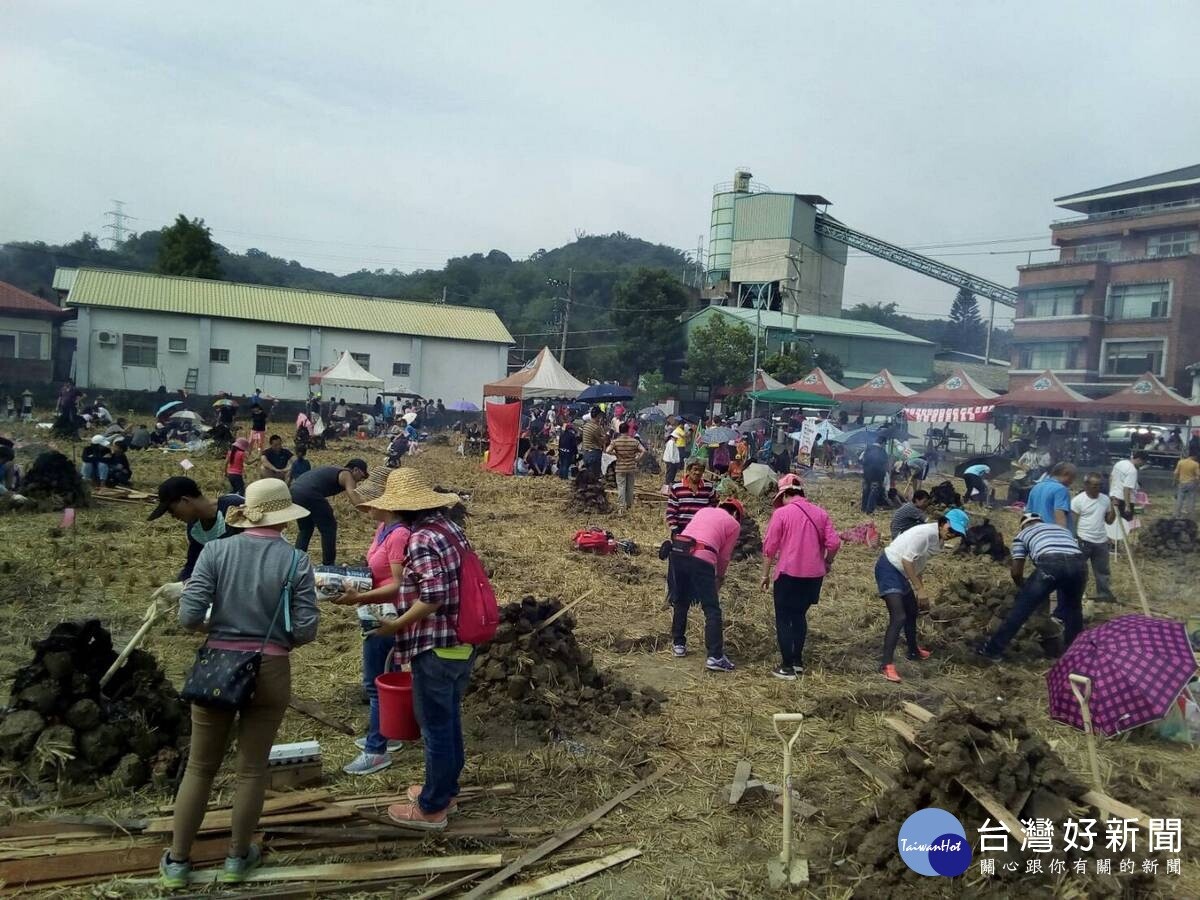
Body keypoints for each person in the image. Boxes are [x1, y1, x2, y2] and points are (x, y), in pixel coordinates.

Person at [160, 479, 318, 889]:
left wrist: (220, 628)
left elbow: (188, 616)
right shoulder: (296, 561)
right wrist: (275, 639)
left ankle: (177, 862)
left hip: (217, 667)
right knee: (251, 770)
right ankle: (236, 858)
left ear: (247, 514)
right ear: (284, 518)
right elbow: (305, 629)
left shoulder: (214, 551)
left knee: (199, 767)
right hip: (270, 669)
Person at [346, 471, 475, 831]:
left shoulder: (420, 539)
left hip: (437, 643)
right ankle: (444, 789)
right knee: (447, 720)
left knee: (435, 726)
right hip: (462, 640)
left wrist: (394, 626)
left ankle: (432, 807)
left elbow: (432, 598)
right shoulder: (450, 529)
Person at [330, 470, 410, 775]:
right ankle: (389, 733)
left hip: (386, 614)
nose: (363, 504)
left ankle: (376, 750)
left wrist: (359, 598)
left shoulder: (399, 533)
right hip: (373, 608)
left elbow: (399, 584)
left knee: (376, 683)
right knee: (387, 675)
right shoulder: (383, 527)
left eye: (370, 500)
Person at [760, 475, 841, 680]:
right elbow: (834, 544)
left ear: (786, 494)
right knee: (799, 616)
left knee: (783, 618)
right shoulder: (821, 513)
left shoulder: (781, 514)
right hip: (814, 576)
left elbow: (769, 547)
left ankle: (786, 666)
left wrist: (765, 574)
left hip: (788, 574)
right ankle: (797, 661)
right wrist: (827, 562)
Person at [874, 508, 969, 682]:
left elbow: (918, 563)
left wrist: (921, 588)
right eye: (951, 529)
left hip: (902, 573)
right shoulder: (924, 534)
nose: (952, 534)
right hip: (889, 568)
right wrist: (919, 589)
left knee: (912, 611)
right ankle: (886, 665)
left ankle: (913, 651)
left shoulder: (938, 540)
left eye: (957, 533)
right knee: (899, 616)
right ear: (943, 523)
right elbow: (907, 560)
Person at [976, 514, 1086, 661]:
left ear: (1023, 526)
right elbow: (1069, 555)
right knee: (1074, 610)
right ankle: (1075, 655)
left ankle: (992, 650)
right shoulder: (1062, 530)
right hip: (1079, 565)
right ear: (1040, 521)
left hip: (1051, 564)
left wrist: (1025, 588)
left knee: (1021, 610)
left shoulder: (1023, 534)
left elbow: (1016, 572)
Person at [668, 498, 743, 672]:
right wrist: (720, 577)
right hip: (702, 558)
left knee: (681, 600)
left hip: (678, 552)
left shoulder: (704, 511)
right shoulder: (733, 524)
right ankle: (715, 656)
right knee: (712, 608)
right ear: (735, 514)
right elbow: (724, 556)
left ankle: (678, 644)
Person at [150, 477, 245, 583]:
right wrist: (184, 582)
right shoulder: (194, 529)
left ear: (185, 500)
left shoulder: (235, 507)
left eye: (171, 510)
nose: (173, 516)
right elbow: (194, 563)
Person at [290, 459, 369, 565]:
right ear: (356, 470)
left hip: (295, 490)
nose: (360, 480)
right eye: (362, 477)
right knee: (329, 527)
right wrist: (372, 509)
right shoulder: (347, 474)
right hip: (310, 492)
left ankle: (296, 562)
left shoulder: (336, 469)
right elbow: (355, 500)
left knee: (306, 528)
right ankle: (328, 564)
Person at [1072, 473, 1116, 602]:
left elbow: (1109, 521)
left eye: (1100, 485)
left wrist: (1114, 507)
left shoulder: (1105, 499)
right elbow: (1073, 521)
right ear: (1086, 485)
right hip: (1083, 539)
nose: (1098, 488)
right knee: (1080, 571)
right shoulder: (1078, 500)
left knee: (1102, 571)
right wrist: (1075, 538)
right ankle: (1077, 595)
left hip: (1101, 541)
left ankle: (1104, 595)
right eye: (1095, 485)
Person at [666, 459, 716, 535]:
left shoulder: (709, 487)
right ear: (688, 470)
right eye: (695, 469)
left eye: (701, 470)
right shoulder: (677, 487)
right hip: (681, 529)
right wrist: (674, 528)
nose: (697, 472)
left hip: (701, 529)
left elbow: (713, 508)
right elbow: (671, 511)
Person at [1025, 462, 1076, 527]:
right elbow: (1059, 514)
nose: (1071, 482)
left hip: (1037, 532)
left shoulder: (1036, 487)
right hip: (1053, 533)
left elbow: (1028, 513)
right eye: (1072, 478)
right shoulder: (1061, 489)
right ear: (1065, 474)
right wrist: (1063, 535)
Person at [608, 422, 644, 509]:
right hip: (631, 467)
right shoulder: (634, 441)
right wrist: (637, 459)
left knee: (621, 487)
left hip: (620, 467)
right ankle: (629, 505)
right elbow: (643, 450)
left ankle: (621, 506)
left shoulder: (615, 441)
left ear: (620, 431)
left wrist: (616, 454)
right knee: (630, 488)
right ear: (628, 430)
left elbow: (608, 450)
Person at [1109, 450, 1147, 523]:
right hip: (1124, 500)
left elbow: (1111, 477)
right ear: (1139, 460)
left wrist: (1111, 493)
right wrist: (1128, 506)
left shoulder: (1120, 463)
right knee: (1126, 525)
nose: (1142, 465)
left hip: (1114, 497)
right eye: (1142, 463)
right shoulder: (1132, 470)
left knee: (1114, 522)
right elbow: (1126, 489)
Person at [860, 436, 889, 514]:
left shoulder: (868, 449)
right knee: (873, 491)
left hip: (866, 473)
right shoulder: (882, 451)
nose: (884, 445)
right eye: (885, 444)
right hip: (877, 474)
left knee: (866, 490)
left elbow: (861, 460)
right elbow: (885, 465)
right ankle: (870, 510)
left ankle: (863, 508)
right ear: (882, 443)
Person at [579, 407, 606, 476]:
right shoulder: (596, 428)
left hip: (586, 453)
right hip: (594, 454)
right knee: (594, 477)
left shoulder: (586, 425)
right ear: (598, 416)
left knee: (588, 476)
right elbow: (602, 441)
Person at [1173, 450, 1200, 517]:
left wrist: (1174, 481)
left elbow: (1176, 473)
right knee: (1191, 499)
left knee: (1180, 499)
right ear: (1194, 457)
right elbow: (1198, 475)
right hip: (1191, 483)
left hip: (1182, 482)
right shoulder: (1195, 464)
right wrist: (1198, 483)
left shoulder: (1181, 462)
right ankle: (1190, 514)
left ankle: (1177, 514)